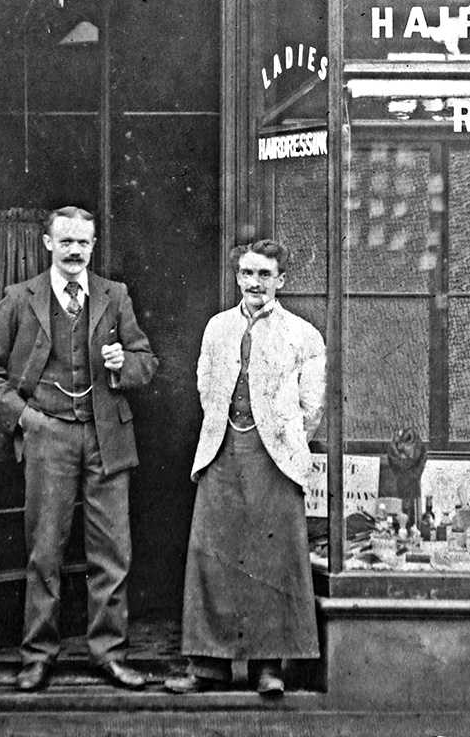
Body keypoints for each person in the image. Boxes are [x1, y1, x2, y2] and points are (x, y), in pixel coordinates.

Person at [0, 205, 158, 691]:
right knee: (44, 551)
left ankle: (109, 654)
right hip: (47, 433)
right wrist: (27, 418)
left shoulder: (115, 296)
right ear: (48, 243)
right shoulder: (18, 299)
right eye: (67, 241)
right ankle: (37, 655)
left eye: (84, 243)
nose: (76, 251)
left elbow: (146, 362)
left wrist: (122, 364)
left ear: (93, 246)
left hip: (106, 436)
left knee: (112, 551)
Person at [166, 238, 325, 697]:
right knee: (211, 556)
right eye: (247, 274)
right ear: (237, 277)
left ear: (281, 280)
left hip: (274, 456)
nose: (254, 283)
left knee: (272, 561)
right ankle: (208, 668)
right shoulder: (216, 328)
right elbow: (204, 385)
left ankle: (267, 668)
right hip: (221, 449)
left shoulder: (303, 334)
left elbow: (311, 407)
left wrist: (278, 436)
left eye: (264, 274)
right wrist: (226, 427)